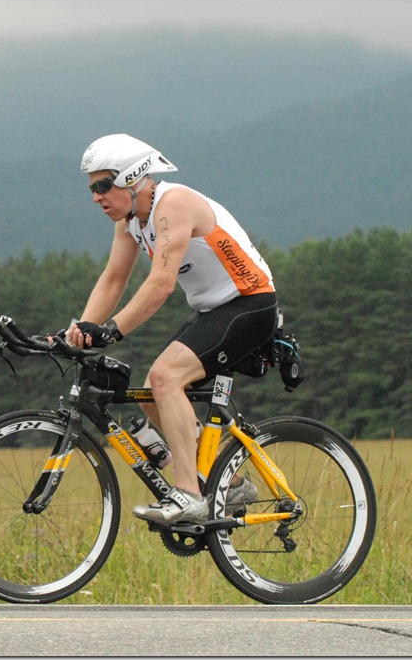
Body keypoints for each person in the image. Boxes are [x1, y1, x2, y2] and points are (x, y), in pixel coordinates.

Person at [64, 133, 277, 524]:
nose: (96, 197)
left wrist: (111, 330)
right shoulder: (130, 221)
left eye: (103, 186)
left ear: (132, 178)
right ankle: (230, 485)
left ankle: (190, 495)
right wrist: (77, 331)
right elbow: (114, 278)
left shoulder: (172, 204)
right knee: (151, 393)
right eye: (92, 188)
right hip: (213, 309)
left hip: (250, 303)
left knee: (165, 378)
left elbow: (161, 284)